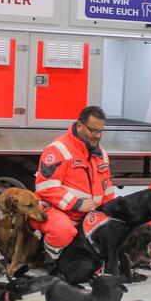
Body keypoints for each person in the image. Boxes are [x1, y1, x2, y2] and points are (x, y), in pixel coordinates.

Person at [31, 106, 115, 262]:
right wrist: (77, 204)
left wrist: (111, 213)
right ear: (79, 126)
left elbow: (107, 189)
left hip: (86, 214)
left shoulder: (101, 154)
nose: (97, 136)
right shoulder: (58, 149)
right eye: (93, 130)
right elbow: (46, 188)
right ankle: (49, 260)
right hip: (55, 210)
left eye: (101, 131)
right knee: (63, 231)